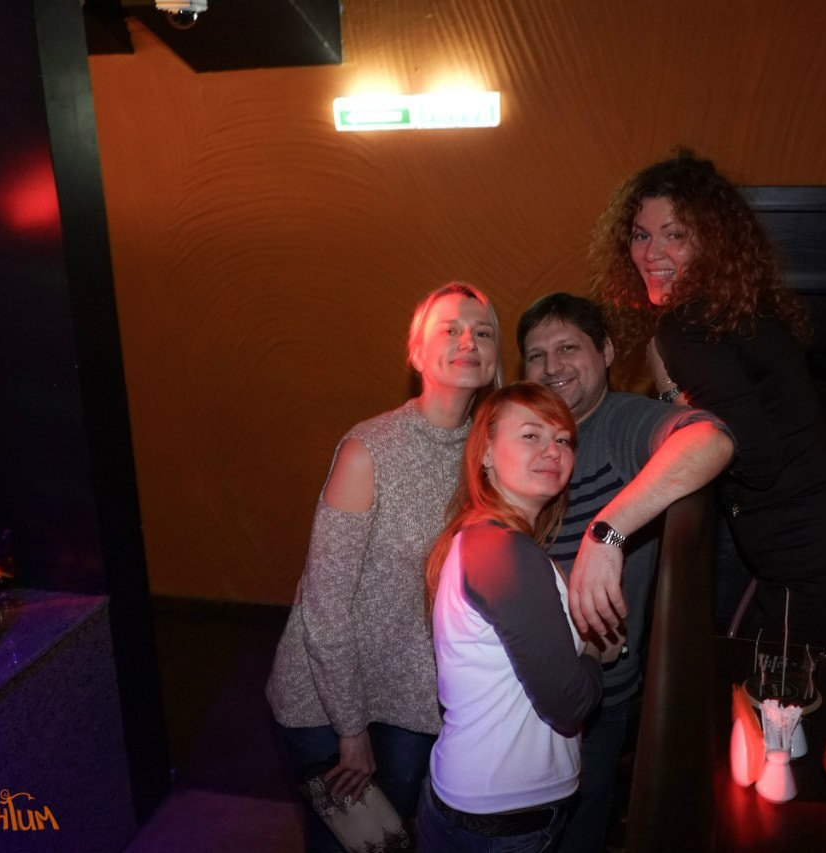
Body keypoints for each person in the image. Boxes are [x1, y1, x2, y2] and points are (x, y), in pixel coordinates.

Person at [592, 147, 826, 651]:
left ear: (711, 241)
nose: (651, 254)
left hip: (813, 566)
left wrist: (669, 390)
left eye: (674, 235)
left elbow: (755, 457)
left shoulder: (686, 325)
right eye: (641, 235)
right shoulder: (738, 305)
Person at [266, 282, 502, 853]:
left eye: (483, 332)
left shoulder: (491, 455)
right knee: (352, 845)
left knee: (394, 844)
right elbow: (324, 609)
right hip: (327, 701)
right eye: (449, 329)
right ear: (416, 353)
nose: (468, 340)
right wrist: (350, 730)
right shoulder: (368, 450)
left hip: (417, 702)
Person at [517, 293, 734, 853]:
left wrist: (606, 532)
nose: (552, 366)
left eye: (569, 348)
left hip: (594, 702)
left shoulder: (616, 421)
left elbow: (710, 439)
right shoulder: (524, 430)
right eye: (537, 355)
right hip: (518, 699)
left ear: (607, 351)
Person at [418, 382, 624, 853]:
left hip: (482, 807)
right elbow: (570, 703)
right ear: (486, 454)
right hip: (498, 822)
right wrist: (596, 647)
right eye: (531, 435)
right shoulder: (503, 551)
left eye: (563, 439)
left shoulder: (486, 538)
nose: (552, 450)